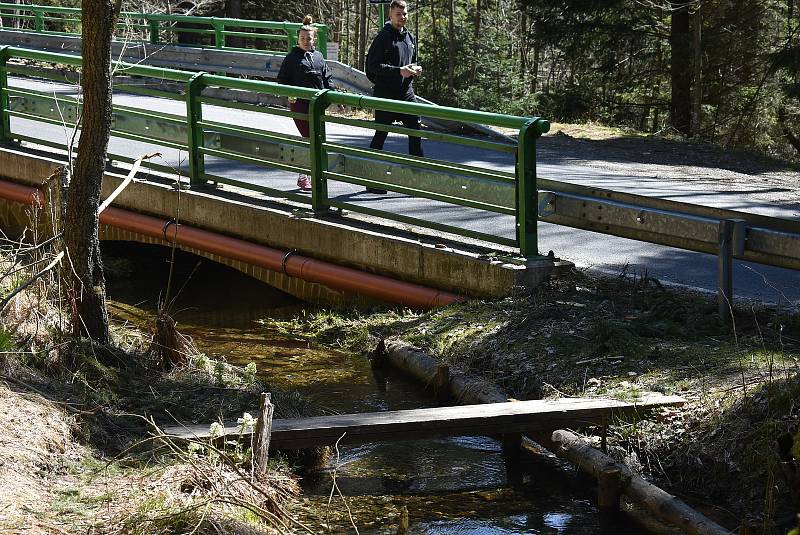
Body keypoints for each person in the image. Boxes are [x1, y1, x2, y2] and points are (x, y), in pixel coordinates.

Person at [365, 0, 423, 193]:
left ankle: (418, 180)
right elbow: (372, 67)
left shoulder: (409, 37)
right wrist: (398, 71)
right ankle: (372, 181)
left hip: (406, 94)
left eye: (405, 13)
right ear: (390, 14)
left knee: (415, 132)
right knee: (381, 135)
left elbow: (412, 61)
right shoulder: (383, 37)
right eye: (398, 13)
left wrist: (415, 68)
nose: (402, 17)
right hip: (386, 95)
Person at [276, 15, 332, 191]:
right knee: (309, 138)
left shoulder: (318, 57)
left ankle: (314, 174)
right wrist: (289, 94)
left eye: (309, 38)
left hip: (318, 105)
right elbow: (282, 80)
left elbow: (327, 79)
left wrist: (334, 96)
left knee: (318, 138)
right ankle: (303, 176)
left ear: (314, 38)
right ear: (297, 39)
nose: (306, 41)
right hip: (299, 104)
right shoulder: (292, 57)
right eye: (302, 38)